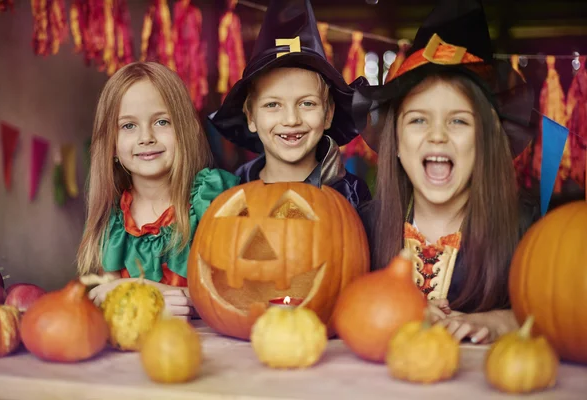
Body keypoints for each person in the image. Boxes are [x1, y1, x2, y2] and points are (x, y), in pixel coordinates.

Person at [353, 0, 540, 343]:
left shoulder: (529, 232)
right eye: (419, 120)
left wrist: (506, 320)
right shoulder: (360, 229)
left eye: (458, 121)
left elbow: (566, 314)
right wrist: (399, 309)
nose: (437, 135)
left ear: (487, 138)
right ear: (395, 138)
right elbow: (333, 307)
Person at [77, 62, 240, 319]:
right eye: (128, 126)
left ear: (187, 130)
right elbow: (102, 299)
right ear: (111, 144)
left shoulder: (212, 198)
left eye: (162, 122)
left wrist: (144, 292)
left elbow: (238, 294)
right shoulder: (114, 222)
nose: (146, 137)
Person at [208, 0, 372, 209]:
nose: (291, 119)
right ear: (250, 116)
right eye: (272, 105)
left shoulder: (352, 195)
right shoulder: (232, 191)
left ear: (328, 113)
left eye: (307, 103)